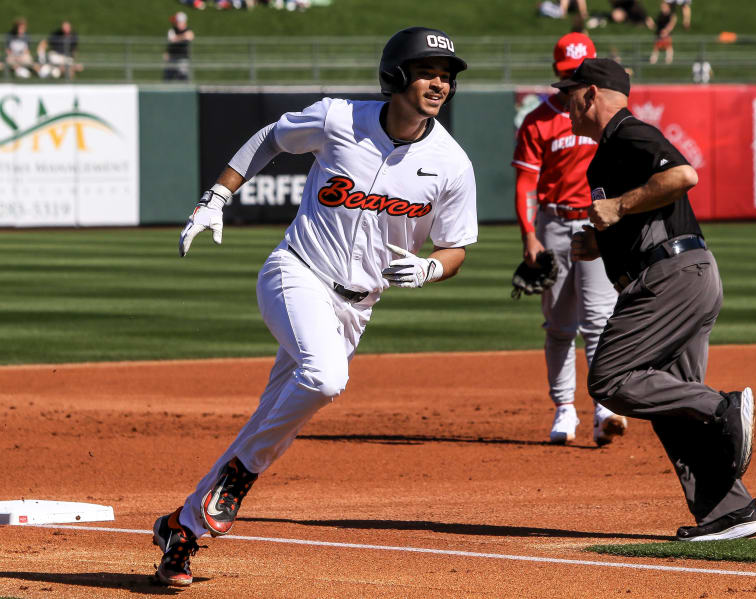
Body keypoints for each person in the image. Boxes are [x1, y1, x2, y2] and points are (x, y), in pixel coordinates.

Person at [151, 26, 477, 586]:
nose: (439, 83)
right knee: (325, 378)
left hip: (357, 308)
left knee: (276, 416)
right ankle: (240, 475)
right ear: (396, 74)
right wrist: (217, 195)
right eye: (428, 71)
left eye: (446, 76)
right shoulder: (338, 119)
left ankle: (182, 528)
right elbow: (269, 138)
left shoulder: (452, 163)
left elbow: (456, 247)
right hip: (296, 273)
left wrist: (430, 268)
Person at [557, 57, 756, 541]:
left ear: (590, 95)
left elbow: (682, 177)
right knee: (674, 406)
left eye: (570, 92)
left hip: (670, 276)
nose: (564, 101)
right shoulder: (607, 152)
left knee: (610, 378)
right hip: (682, 274)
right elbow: (639, 213)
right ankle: (730, 514)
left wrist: (617, 205)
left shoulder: (628, 132)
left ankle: (722, 408)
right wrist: (601, 241)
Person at [512, 33, 627, 446]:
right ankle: (564, 409)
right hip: (555, 223)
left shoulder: (609, 117)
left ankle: (604, 407)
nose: (573, 82)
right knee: (560, 325)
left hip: (599, 224)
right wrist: (529, 235)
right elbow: (526, 181)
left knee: (598, 321)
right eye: (567, 75)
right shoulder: (538, 120)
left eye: (579, 74)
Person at [163, 12, 194, 81]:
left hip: (183, 58)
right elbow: (172, 39)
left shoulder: (188, 30)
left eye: (178, 21)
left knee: (183, 76)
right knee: (167, 77)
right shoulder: (172, 30)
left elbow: (190, 36)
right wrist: (183, 36)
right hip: (172, 57)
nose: (176, 23)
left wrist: (177, 38)